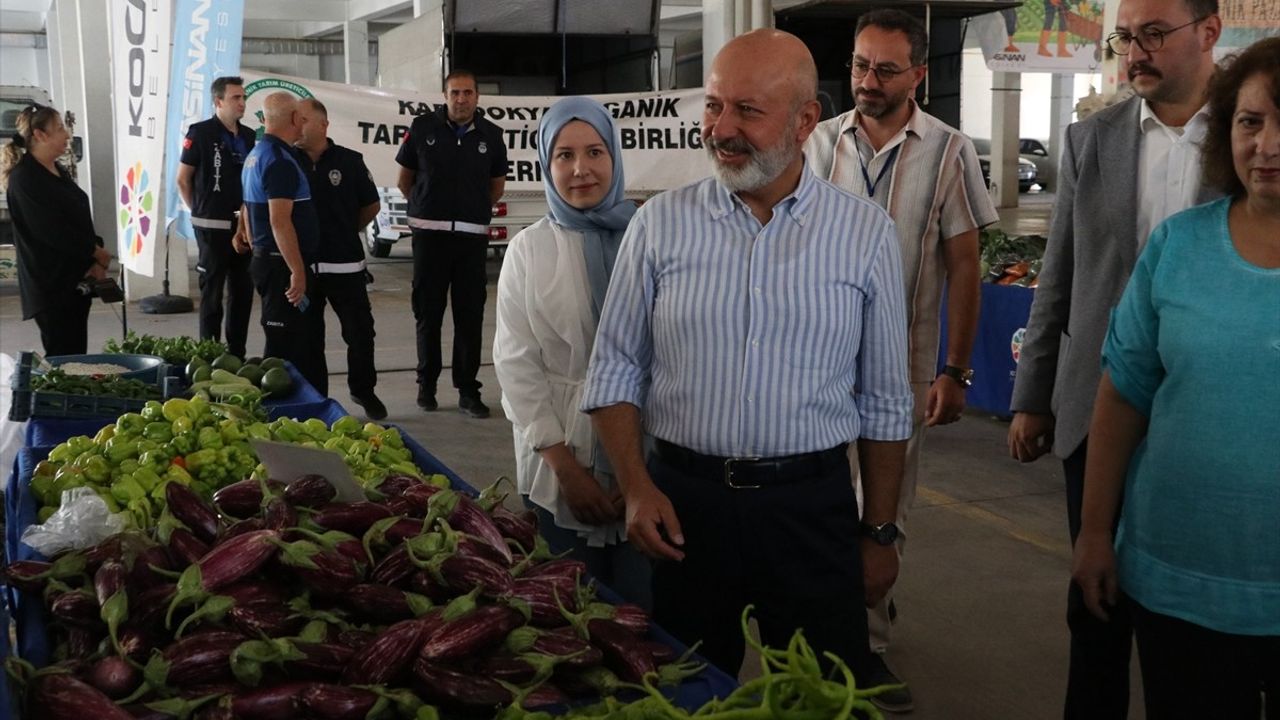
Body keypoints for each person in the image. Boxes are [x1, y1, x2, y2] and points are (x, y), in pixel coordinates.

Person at [581, 29, 913, 680]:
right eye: (713, 106)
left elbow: (884, 403)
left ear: (805, 120)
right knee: (688, 685)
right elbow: (614, 368)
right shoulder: (659, 226)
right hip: (685, 511)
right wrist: (636, 489)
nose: (721, 129)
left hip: (811, 513)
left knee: (821, 690)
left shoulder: (865, 235)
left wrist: (878, 534)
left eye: (748, 112)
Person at [1006, 1, 1222, 717]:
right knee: (1094, 604)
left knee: (1189, 628)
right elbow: (1059, 274)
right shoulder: (1089, 140)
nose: (1135, 52)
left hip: (1205, 416)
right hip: (1094, 411)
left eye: (1154, 35)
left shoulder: (1249, 137)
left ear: (1210, 33)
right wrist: (1032, 396)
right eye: (1126, 37)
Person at [1071, 36, 1280, 718]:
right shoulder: (1179, 245)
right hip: (1178, 586)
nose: (1268, 145)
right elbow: (1122, 392)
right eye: (1251, 122)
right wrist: (1096, 531)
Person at [804, 8, 997, 712]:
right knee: (825, 505)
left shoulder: (949, 151)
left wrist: (955, 369)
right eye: (859, 65)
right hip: (817, 369)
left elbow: (965, 263)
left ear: (919, 73)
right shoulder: (819, 144)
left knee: (885, 512)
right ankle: (826, 630)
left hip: (905, 371)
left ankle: (868, 646)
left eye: (885, 70)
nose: (867, 81)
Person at [493, 97, 651, 607]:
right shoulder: (529, 249)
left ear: (616, 157)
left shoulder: (650, 239)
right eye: (564, 155)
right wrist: (567, 470)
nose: (581, 169)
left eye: (595, 152)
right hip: (559, 459)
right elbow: (517, 366)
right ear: (545, 164)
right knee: (569, 610)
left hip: (649, 458)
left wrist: (639, 473)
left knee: (643, 609)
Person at [396, 69, 508, 419]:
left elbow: (496, 187)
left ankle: (468, 390)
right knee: (428, 315)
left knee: (469, 316)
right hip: (429, 238)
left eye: (468, 93)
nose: (461, 99)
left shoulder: (492, 135)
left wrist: (473, 212)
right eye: (455, 93)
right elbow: (405, 180)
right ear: (444, 96)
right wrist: (427, 208)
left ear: (477, 97)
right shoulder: (422, 129)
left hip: (471, 240)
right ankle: (426, 386)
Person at [294, 98, 385, 415]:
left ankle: (364, 390)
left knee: (360, 333)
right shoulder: (288, 160)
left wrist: (347, 230)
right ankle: (316, 398)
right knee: (309, 338)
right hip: (303, 268)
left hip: (346, 264)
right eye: (295, 119)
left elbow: (371, 206)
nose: (298, 126)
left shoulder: (350, 161)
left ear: (322, 124)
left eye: (303, 119)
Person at [1, 104, 110, 356]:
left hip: (74, 280)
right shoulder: (25, 178)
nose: (67, 135)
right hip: (51, 285)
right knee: (63, 355)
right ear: (40, 135)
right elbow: (50, 230)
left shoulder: (55, 169)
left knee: (75, 354)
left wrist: (95, 252)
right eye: (60, 128)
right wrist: (93, 252)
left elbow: (75, 215)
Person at [239, 92, 325, 390]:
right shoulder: (279, 161)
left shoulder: (256, 154)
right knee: (287, 347)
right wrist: (297, 270)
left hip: (268, 259)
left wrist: (252, 241)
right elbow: (280, 220)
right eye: (301, 117)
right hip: (280, 266)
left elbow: (249, 209)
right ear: (291, 119)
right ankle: (285, 414)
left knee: (294, 339)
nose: (303, 123)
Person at [177, 76, 256, 359]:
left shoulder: (248, 136)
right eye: (236, 98)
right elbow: (183, 180)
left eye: (243, 97)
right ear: (218, 101)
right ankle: (208, 357)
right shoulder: (200, 133)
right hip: (212, 228)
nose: (242, 103)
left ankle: (237, 355)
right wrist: (199, 212)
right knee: (212, 297)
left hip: (244, 228)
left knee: (242, 294)